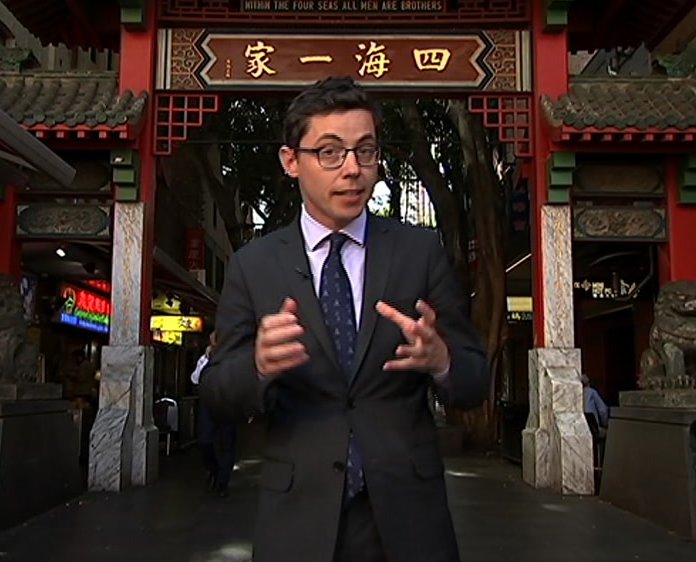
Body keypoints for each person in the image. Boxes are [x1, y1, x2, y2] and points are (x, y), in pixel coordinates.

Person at [200, 76, 489, 562]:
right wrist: (257, 367)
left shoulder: (419, 252)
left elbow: (475, 380)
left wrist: (441, 361)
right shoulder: (255, 266)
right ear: (292, 161)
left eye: (366, 151)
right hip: (297, 517)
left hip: (408, 517)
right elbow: (216, 393)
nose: (352, 169)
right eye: (330, 152)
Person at [192, 331, 236, 498]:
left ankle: (222, 485)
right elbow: (195, 379)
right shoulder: (205, 360)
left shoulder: (233, 358)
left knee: (227, 446)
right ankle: (214, 470)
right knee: (204, 441)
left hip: (228, 404)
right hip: (208, 404)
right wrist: (205, 358)